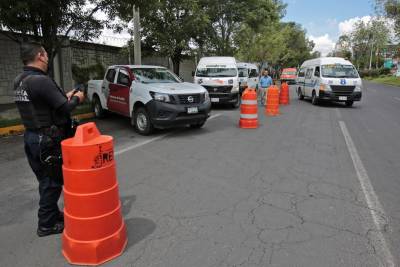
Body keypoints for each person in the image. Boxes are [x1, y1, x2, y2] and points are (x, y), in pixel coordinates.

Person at [14, 42, 85, 237]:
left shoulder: (21, 80)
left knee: (45, 179)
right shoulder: (41, 80)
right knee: (51, 182)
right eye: (45, 54)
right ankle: (46, 224)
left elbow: (45, 103)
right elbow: (65, 108)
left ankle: (53, 214)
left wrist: (67, 95)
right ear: (40, 56)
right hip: (46, 140)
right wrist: (78, 97)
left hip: (31, 137)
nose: (47, 58)